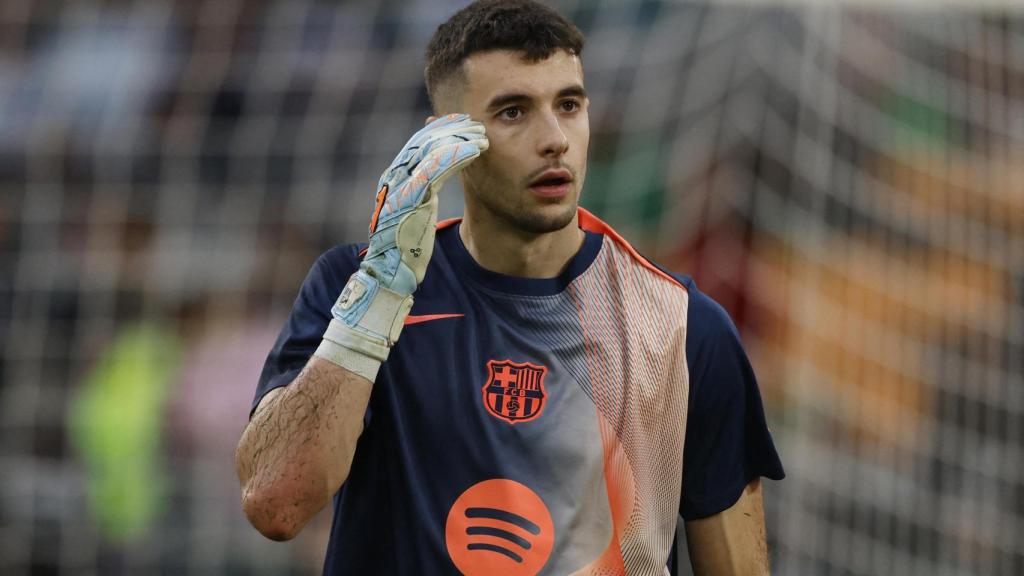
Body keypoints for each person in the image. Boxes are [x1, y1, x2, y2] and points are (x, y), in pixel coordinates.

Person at [235, 1, 784, 574]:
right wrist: (378, 295)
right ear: (446, 140)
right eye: (513, 112)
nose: (554, 139)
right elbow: (276, 506)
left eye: (569, 105)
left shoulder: (682, 327)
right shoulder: (353, 289)